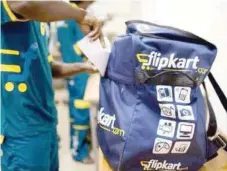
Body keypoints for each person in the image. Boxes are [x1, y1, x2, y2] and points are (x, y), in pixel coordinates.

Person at [0, 1, 102, 171]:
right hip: (21, 129)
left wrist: (84, 67)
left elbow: (48, 66)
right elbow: (24, 4)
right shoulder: (19, 6)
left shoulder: (40, 23)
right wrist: (80, 14)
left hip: (46, 121)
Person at [57, 0, 95, 164]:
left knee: (78, 112)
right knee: (81, 112)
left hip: (74, 70)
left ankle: (79, 147)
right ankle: (79, 151)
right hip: (79, 72)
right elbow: (81, 47)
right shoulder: (74, 16)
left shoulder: (65, 14)